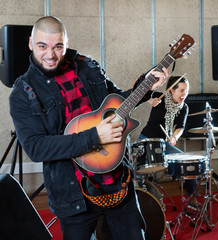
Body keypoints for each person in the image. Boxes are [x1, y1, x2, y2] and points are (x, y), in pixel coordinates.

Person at [9, 16, 169, 240]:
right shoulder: (23, 93)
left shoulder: (87, 65)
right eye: (42, 46)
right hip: (72, 194)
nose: (51, 55)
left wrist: (146, 83)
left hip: (116, 182)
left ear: (66, 42)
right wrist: (95, 136)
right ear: (30, 43)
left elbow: (116, 104)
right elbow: (36, 148)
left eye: (58, 46)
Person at [138, 76, 201, 210]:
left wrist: (174, 137)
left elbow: (180, 127)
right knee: (139, 173)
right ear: (172, 90)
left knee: (187, 164)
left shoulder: (184, 107)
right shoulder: (160, 97)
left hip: (164, 143)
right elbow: (141, 93)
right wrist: (150, 100)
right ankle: (139, 202)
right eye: (182, 90)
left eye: (187, 91)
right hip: (146, 139)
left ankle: (191, 198)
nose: (185, 94)